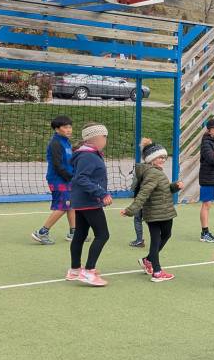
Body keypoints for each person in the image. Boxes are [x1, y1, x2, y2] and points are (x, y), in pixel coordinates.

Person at [119, 140, 183, 282]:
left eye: (164, 157)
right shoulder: (153, 173)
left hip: (163, 212)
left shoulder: (156, 172)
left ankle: (148, 260)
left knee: (166, 235)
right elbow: (144, 193)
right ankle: (157, 272)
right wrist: (131, 210)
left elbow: (163, 190)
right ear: (151, 159)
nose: (162, 160)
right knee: (156, 240)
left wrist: (175, 186)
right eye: (159, 157)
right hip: (156, 213)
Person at [66, 123, 112, 287]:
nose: (106, 139)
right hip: (89, 202)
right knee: (103, 234)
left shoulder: (89, 154)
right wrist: (102, 194)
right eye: (104, 136)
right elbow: (82, 179)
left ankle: (75, 270)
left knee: (80, 234)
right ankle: (88, 271)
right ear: (96, 138)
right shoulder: (88, 156)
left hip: (82, 201)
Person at [32, 116, 78, 244]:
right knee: (63, 206)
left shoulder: (66, 142)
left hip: (66, 178)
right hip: (58, 179)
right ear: (57, 129)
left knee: (71, 204)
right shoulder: (55, 143)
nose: (69, 129)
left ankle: (74, 233)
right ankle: (42, 232)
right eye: (65, 127)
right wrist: (71, 177)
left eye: (70, 126)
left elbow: (69, 162)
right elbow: (58, 165)